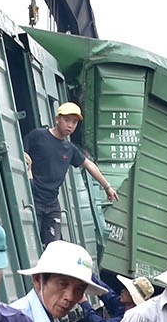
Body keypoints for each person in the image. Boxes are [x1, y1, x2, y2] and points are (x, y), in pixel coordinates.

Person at [23, 101, 118, 245]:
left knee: (53, 247)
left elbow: (89, 165)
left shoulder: (70, 149)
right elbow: (20, 152)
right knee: (30, 243)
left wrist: (107, 187)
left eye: (74, 122)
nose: (70, 125)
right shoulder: (38, 135)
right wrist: (28, 168)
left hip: (52, 204)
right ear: (57, 119)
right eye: (67, 120)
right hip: (33, 197)